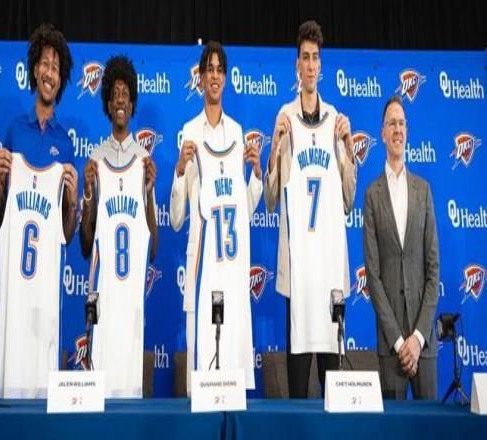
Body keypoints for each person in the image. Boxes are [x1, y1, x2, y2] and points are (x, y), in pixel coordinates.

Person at [264, 20, 356, 398]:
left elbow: (348, 199)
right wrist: (274, 147)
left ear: (321, 64)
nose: (311, 65)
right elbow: (271, 198)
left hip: (329, 272)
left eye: (316, 58)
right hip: (299, 276)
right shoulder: (285, 119)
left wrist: (349, 148)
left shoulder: (336, 120)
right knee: (299, 389)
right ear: (297, 65)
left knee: (332, 389)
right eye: (305, 57)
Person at [170, 41, 262, 394]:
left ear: (225, 78)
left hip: (232, 270)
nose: (214, 75)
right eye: (208, 69)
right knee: (201, 384)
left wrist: (255, 175)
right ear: (200, 78)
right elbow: (176, 219)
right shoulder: (189, 132)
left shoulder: (237, 133)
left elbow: (243, 209)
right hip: (201, 270)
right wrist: (179, 172)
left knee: (231, 382)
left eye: (219, 69)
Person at [0, 23, 77, 398]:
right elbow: (0, 218)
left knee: (43, 395)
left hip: (45, 301)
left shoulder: (64, 143)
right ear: (34, 69)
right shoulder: (15, 131)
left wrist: (73, 199)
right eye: (45, 64)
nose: (50, 73)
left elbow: (66, 234)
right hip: (14, 296)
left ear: (62, 78)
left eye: (56, 68)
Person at [79, 55, 157, 398]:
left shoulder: (144, 162)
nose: (121, 100)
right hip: (105, 302)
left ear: (132, 102)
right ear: (108, 104)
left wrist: (150, 192)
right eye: (115, 94)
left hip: (132, 305)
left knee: (129, 394)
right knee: (101, 397)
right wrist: (87, 194)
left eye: (126, 93)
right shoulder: (95, 161)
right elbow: (86, 245)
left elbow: (152, 247)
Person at [363, 95, 439, 399]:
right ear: (382, 133)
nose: (397, 129)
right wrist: (399, 341)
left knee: (430, 424)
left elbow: (433, 271)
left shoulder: (424, 191)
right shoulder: (372, 195)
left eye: (402, 123)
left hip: (424, 345)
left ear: (407, 131)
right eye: (392, 123)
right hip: (390, 348)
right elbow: (373, 276)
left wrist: (417, 338)